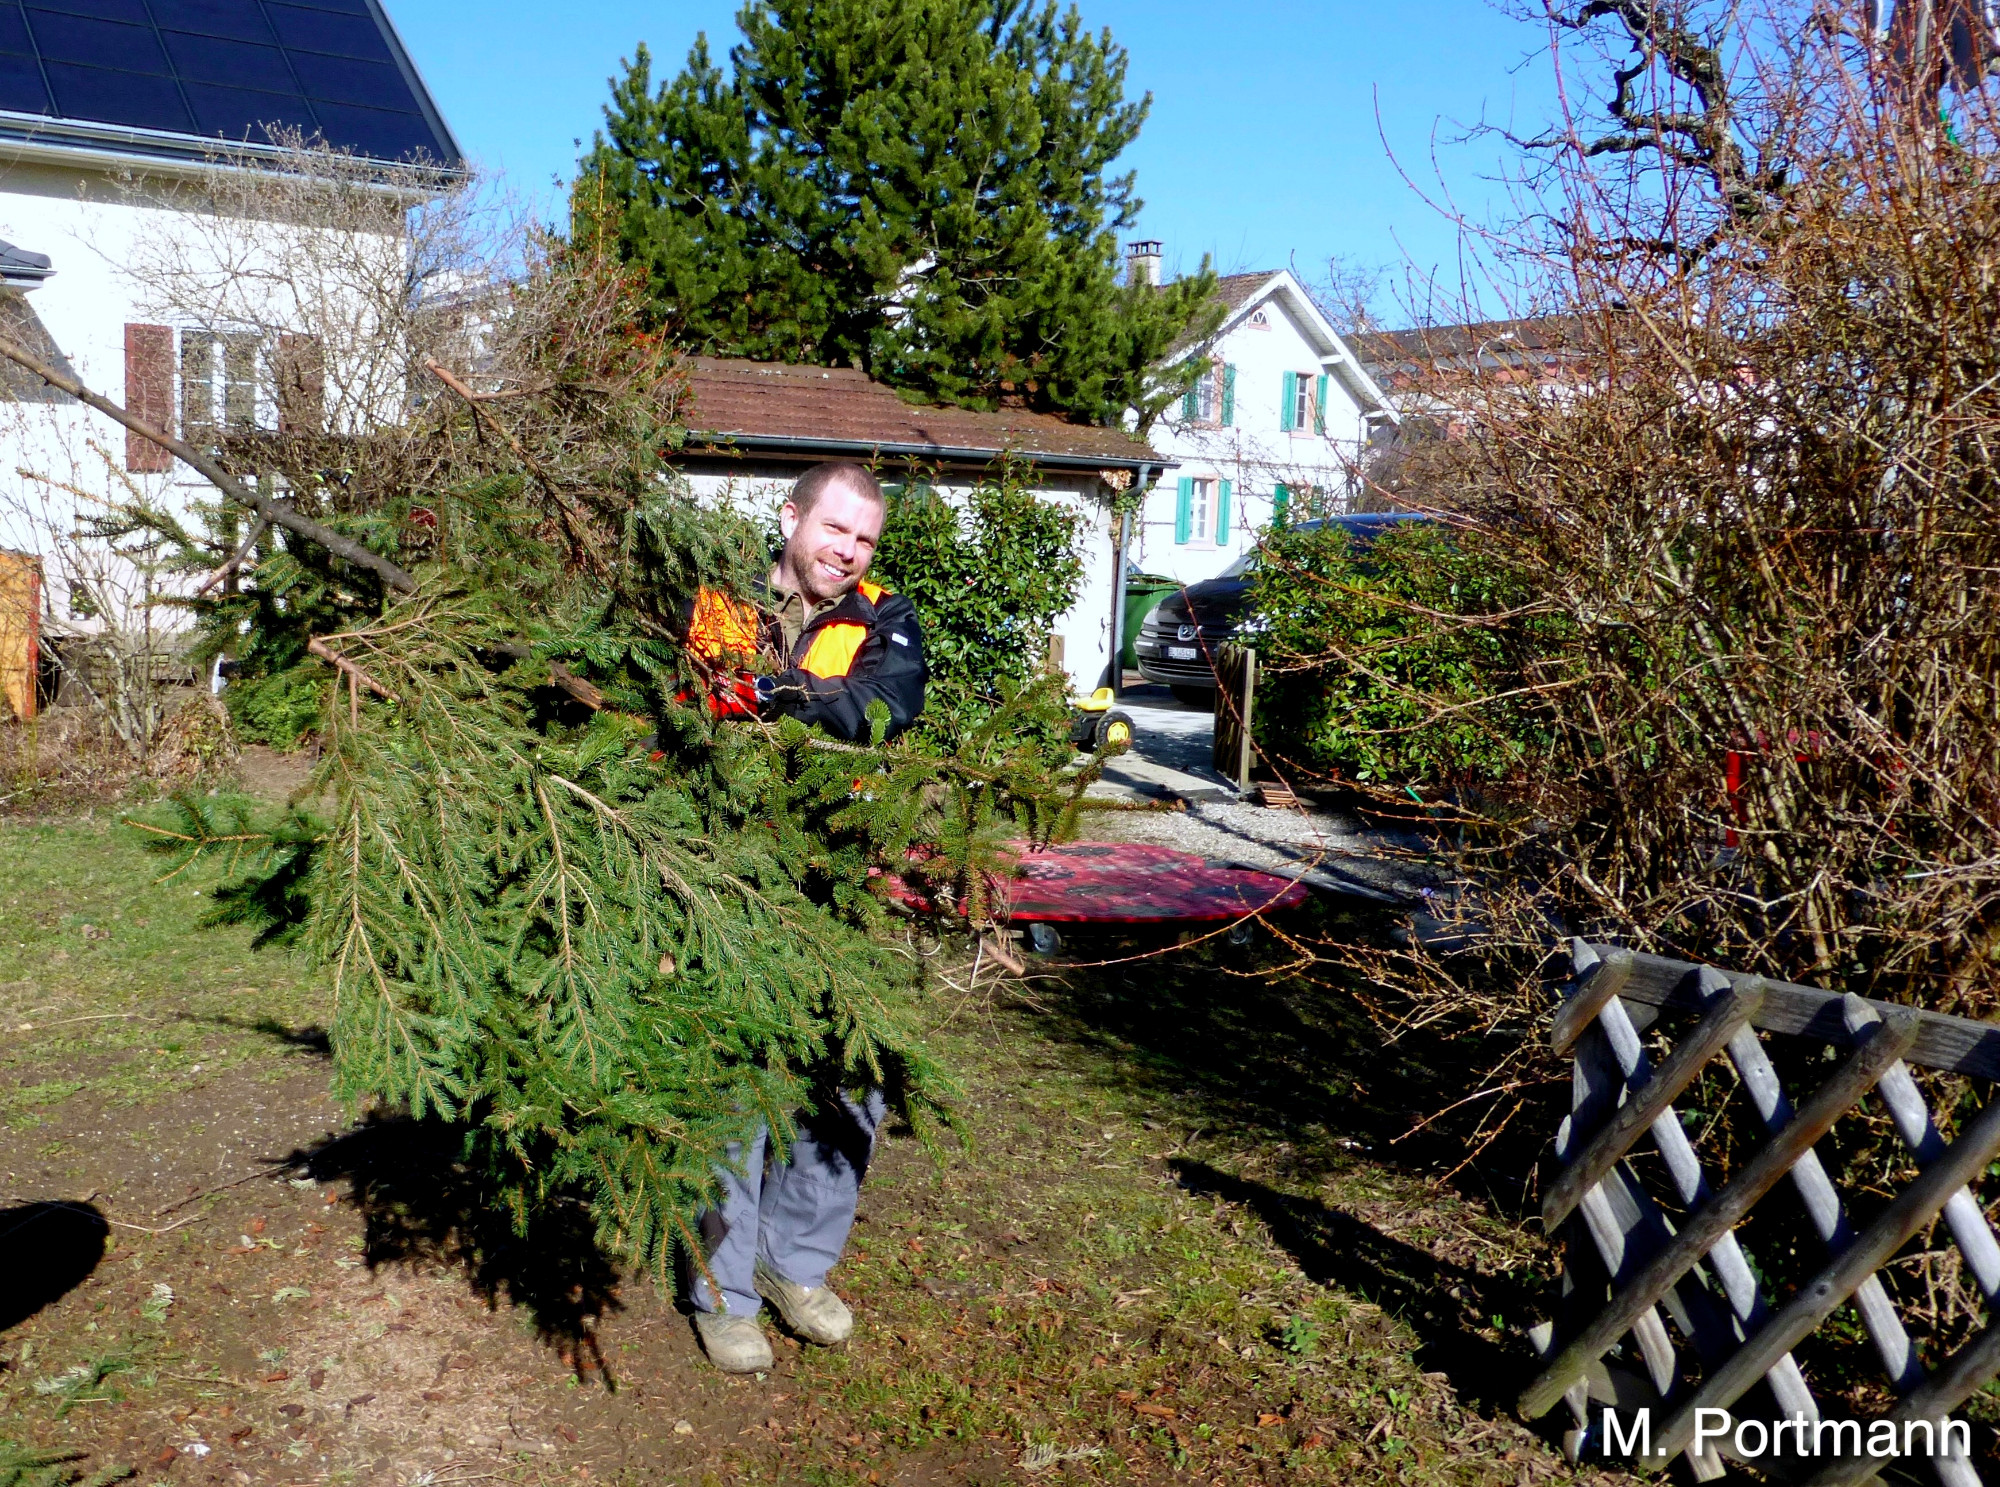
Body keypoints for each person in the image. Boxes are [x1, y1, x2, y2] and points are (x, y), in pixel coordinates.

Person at [682, 460, 926, 1374]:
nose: (848, 551)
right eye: (834, 529)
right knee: (733, 1085)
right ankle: (724, 1292)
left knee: (849, 1079)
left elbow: (884, 705)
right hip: (726, 875)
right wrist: (757, 699)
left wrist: (778, 697)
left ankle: (794, 1264)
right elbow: (696, 700)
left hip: (838, 877)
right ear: (790, 519)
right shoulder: (718, 598)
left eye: (864, 538)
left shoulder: (885, 614)